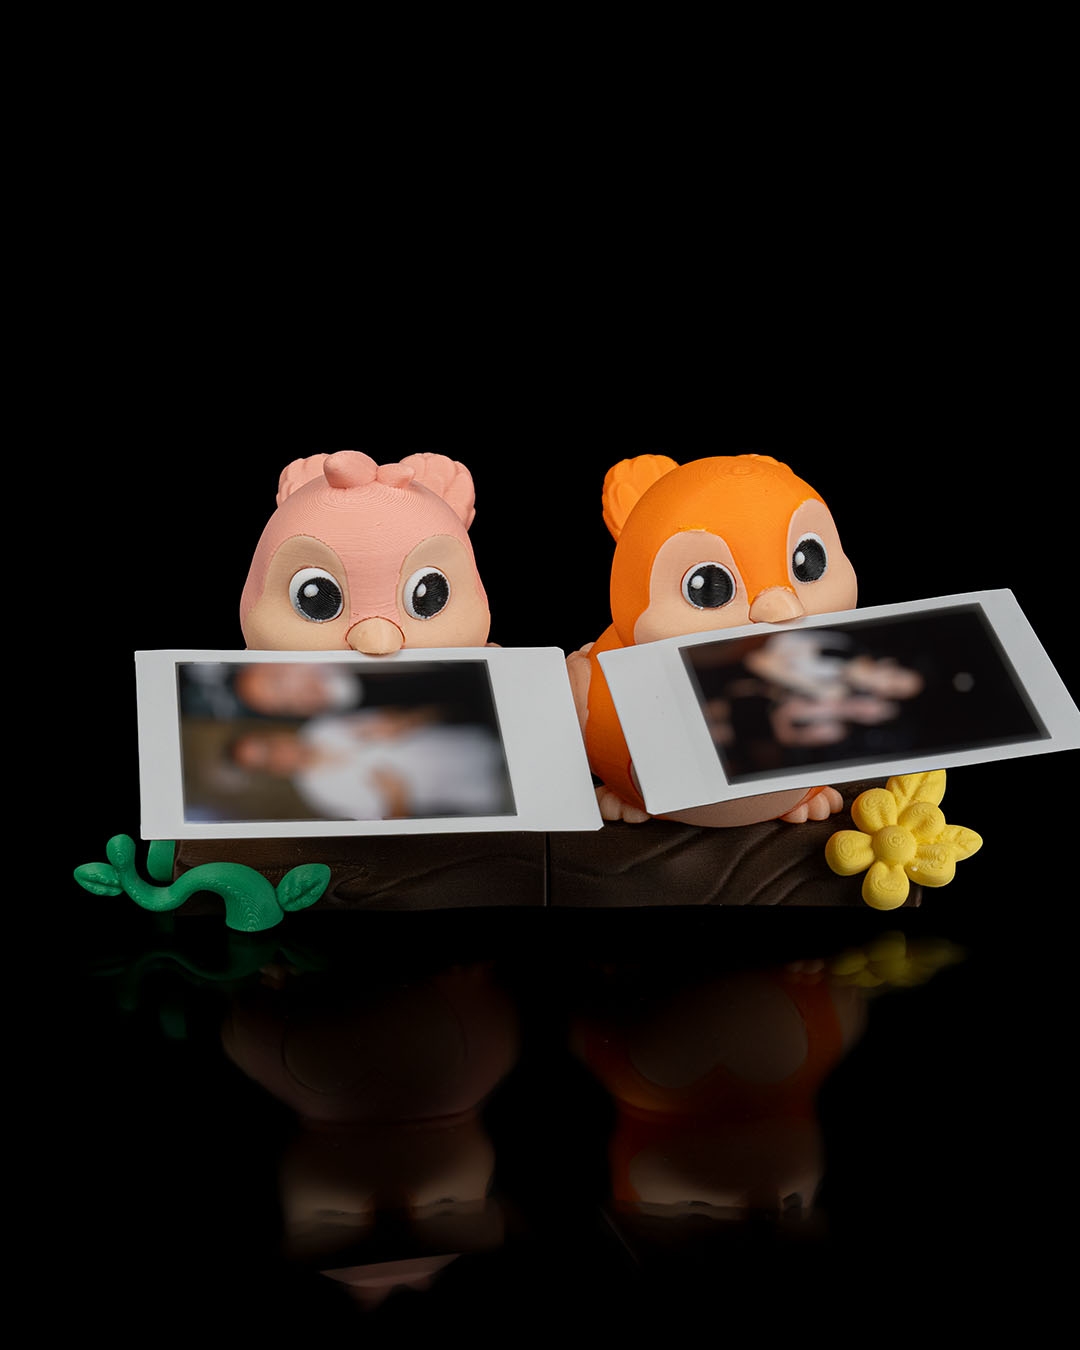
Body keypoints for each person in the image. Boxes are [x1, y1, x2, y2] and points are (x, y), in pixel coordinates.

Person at [229, 706, 512, 821]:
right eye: (267, 760)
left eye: (269, 744)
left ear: (276, 733)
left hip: (486, 742)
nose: (279, 753)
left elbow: (434, 712)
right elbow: (394, 829)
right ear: (273, 772)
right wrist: (397, 798)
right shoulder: (321, 795)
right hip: (486, 792)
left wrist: (404, 721)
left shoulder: (323, 725)